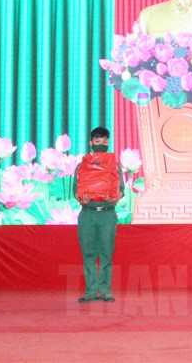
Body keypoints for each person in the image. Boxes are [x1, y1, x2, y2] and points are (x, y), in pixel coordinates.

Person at [74, 127, 124, 303]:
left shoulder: (115, 165)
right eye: (97, 141)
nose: (101, 144)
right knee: (88, 253)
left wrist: (116, 197)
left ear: (108, 143)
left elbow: (121, 189)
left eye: (104, 141)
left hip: (107, 214)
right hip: (87, 214)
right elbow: (75, 190)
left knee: (106, 254)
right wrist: (82, 199)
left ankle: (105, 291)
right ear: (91, 143)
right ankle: (90, 291)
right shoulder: (82, 166)